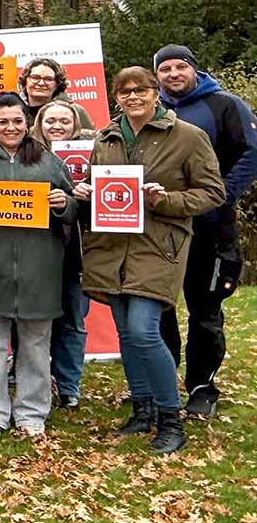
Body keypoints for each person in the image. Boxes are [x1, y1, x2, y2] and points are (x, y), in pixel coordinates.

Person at [79, 67, 225, 454]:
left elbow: (212, 192)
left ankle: (170, 417)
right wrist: (86, 192)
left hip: (158, 246)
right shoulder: (106, 137)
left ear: (155, 92)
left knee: (145, 330)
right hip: (112, 246)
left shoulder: (188, 137)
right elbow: (102, 187)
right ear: (117, 97)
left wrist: (168, 201)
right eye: (124, 91)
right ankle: (142, 408)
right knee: (127, 331)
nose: (133, 97)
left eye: (140, 89)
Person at [0, 92, 77, 439]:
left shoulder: (48, 162)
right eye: (3, 121)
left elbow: (74, 207)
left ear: (28, 124)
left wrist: (61, 203)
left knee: (36, 344)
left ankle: (31, 412)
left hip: (40, 268)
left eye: (17, 121)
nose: (11, 128)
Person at [155, 43, 257, 418]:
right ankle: (161, 381)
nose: (173, 74)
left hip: (211, 229)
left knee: (205, 310)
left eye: (180, 67)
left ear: (194, 70)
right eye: (165, 69)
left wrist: (222, 196)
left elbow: (251, 151)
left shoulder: (224, 105)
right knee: (159, 307)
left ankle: (201, 386)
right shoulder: (153, 110)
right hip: (162, 228)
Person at [32, 100, 93, 409]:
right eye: (50, 120)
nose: (56, 126)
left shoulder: (93, 156)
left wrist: (86, 193)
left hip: (75, 252)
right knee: (35, 322)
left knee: (72, 320)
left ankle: (68, 385)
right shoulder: (27, 157)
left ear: (75, 125)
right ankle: (40, 380)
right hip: (36, 252)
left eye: (64, 121)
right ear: (39, 124)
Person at [19, 58, 96, 131]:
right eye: (35, 78)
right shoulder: (13, 110)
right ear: (25, 80)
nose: (41, 83)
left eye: (48, 79)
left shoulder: (75, 111)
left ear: (57, 84)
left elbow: (90, 141)